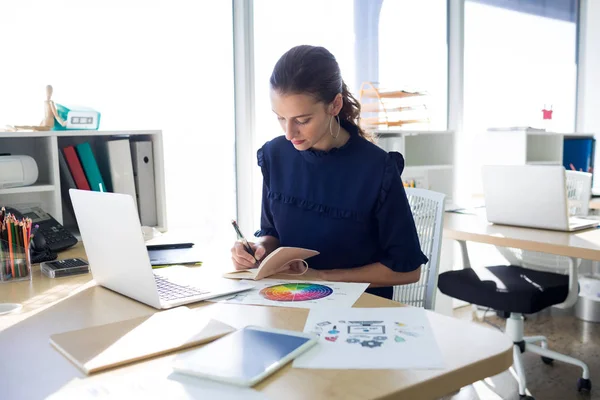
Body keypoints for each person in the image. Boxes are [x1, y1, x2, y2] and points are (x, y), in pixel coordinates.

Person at [231, 45, 427, 299]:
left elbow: (408, 270)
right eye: (280, 118)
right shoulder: (275, 155)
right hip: (290, 302)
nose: (289, 133)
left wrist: (324, 278)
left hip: (357, 315)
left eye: (302, 120)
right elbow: (274, 234)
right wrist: (257, 250)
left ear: (334, 105)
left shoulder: (377, 168)